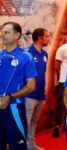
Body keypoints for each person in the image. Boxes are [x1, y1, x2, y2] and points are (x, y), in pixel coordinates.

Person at [0, 22, 37, 150]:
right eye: (2, 32)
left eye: (6, 32)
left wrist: (10, 97)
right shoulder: (0, 55)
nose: (2, 35)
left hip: (14, 108)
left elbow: (31, 86)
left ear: (17, 35)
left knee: (18, 146)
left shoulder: (25, 57)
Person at [25, 28, 49, 150]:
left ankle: (31, 144)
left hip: (41, 94)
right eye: (46, 36)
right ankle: (21, 145)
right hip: (29, 95)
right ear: (40, 38)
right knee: (26, 122)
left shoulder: (45, 54)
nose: (48, 39)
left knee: (34, 120)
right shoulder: (27, 53)